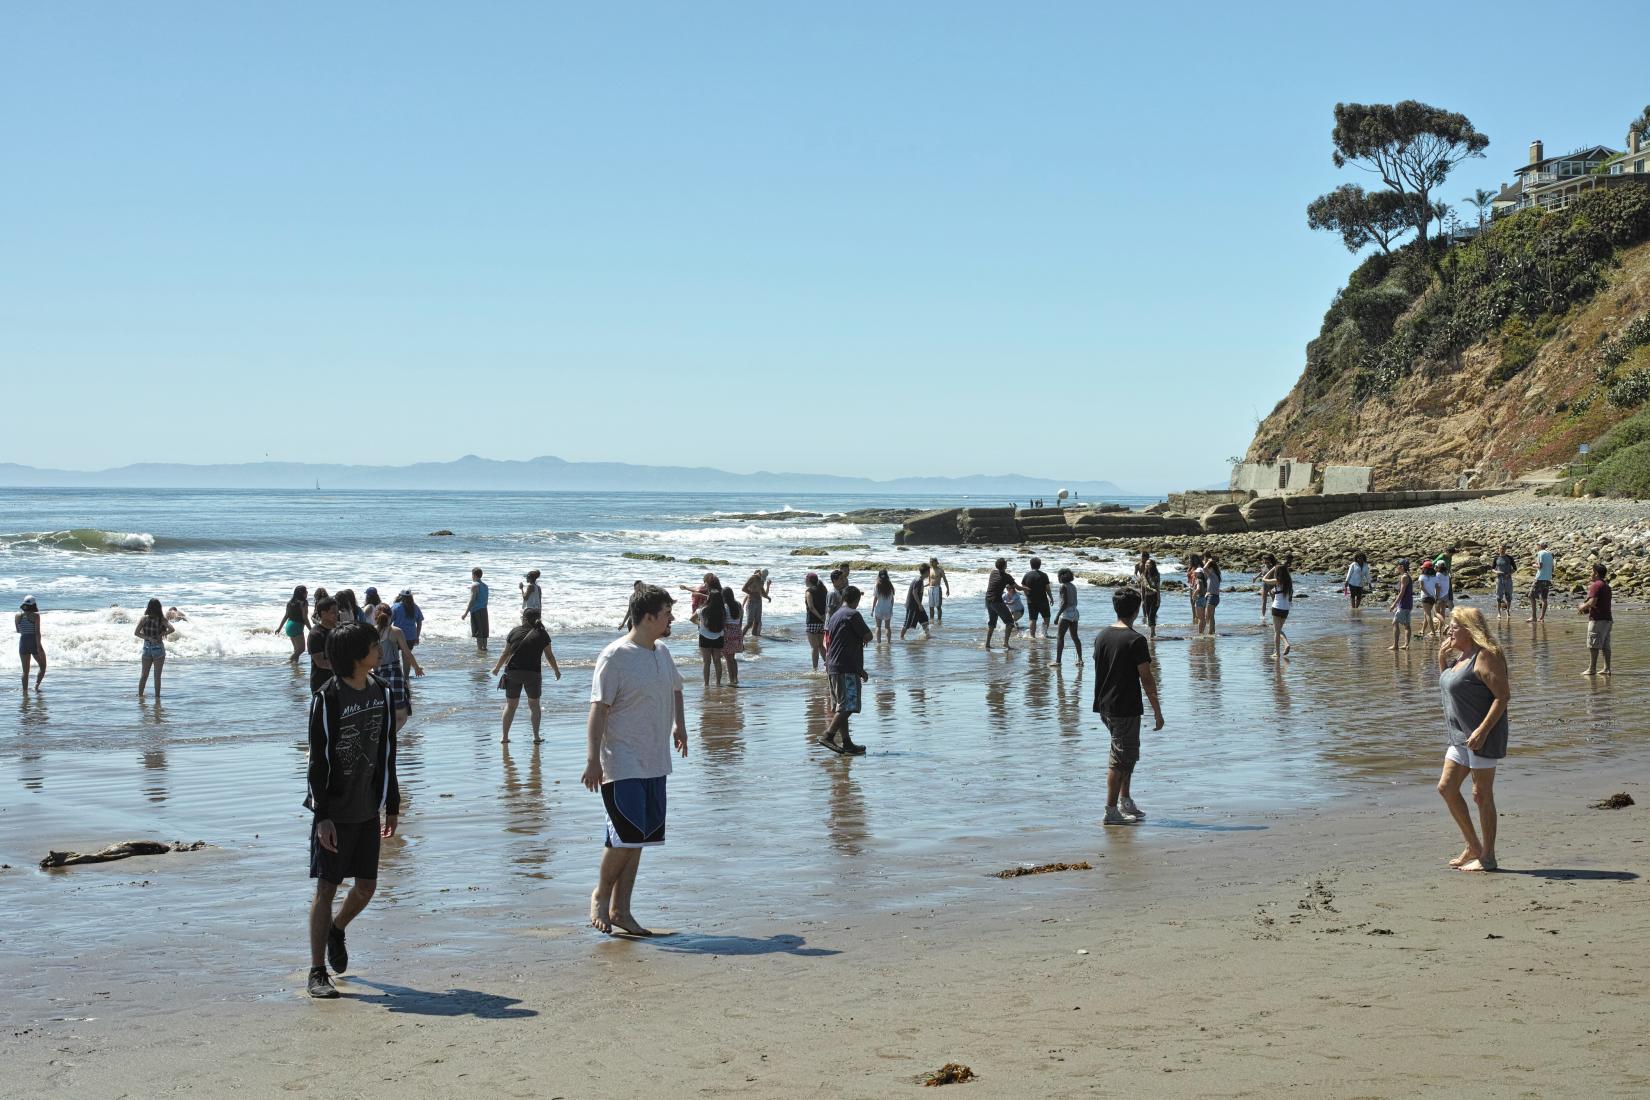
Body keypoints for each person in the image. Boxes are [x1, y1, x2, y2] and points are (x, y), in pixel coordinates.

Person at [583, 584, 688, 936]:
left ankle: (621, 910)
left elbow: (677, 688)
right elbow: (598, 709)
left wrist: (679, 726)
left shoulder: (663, 652)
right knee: (625, 833)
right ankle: (600, 895)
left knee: (639, 837)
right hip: (621, 760)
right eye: (667, 613)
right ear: (647, 617)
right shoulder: (615, 656)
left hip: (655, 760)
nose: (672, 618)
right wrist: (592, 759)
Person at [304, 620, 400, 998]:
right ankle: (316, 972)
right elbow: (317, 760)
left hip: (367, 808)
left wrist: (392, 803)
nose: (380, 652)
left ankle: (336, 929)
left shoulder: (382, 691)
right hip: (334, 812)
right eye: (374, 647)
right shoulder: (327, 697)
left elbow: (388, 751)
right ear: (357, 657)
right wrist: (321, 814)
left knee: (366, 888)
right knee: (326, 888)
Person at [1435, 607, 1509, 874]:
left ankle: (1488, 857)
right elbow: (1449, 684)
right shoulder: (1461, 657)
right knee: (1446, 788)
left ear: (1469, 629)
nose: (1449, 631)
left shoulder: (1486, 655)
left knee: (1481, 795)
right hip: (1459, 736)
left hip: (1481, 736)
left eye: (1454, 626)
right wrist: (1441, 658)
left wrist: (1482, 730)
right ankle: (1473, 846)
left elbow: (1502, 696)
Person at [1093, 588, 1164, 826]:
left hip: (1105, 704)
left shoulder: (1102, 635)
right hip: (1124, 705)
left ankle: (1125, 801)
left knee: (1128, 753)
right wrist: (1157, 710)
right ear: (1137, 610)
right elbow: (1146, 678)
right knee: (1120, 757)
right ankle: (1111, 810)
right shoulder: (1136, 640)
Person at [491, 609, 563, 741]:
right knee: (534, 705)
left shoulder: (514, 631)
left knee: (511, 705)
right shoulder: (542, 633)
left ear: (524, 619)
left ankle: (504, 737)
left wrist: (496, 668)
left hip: (513, 673)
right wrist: (556, 671)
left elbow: (505, 653)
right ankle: (536, 737)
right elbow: (550, 656)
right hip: (532, 674)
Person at [820, 586, 874, 754]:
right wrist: (862, 638)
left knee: (841, 706)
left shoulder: (835, 615)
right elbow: (868, 635)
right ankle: (828, 735)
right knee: (849, 705)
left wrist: (860, 669)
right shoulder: (852, 614)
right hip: (846, 667)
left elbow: (841, 640)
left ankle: (847, 742)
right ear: (856, 600)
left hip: (833, 666)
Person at [373, 604, 423, 730]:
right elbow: (407, 653)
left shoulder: (371, 632)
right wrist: (416, 667)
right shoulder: (395, 631)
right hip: (394, 674)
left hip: (377, 675)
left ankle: (384, 738)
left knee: (383, 711)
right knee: (402, 714)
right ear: (390, 616)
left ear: (375, 617)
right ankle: (390, 737)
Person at [134, 598, 175, 699]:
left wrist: (148, 638)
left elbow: (136, 633)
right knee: (157, 676)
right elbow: (172, 629)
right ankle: (157, 698)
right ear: (159, 608)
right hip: (158, 649)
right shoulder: (161, 619)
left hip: (147, 648)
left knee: (144, 675)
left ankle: (140, 696)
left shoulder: (144, 618)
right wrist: (161, 634)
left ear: (149, 607)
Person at [1580, 562, 1613, 677]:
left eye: (1591, 571)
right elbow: (1600, 603)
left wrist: (1582, 607)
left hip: (1598, 620)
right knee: (1605, 645)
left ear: (1596, 573)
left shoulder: (1596, 585)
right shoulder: (1606, 585)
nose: (1590, 573)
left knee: (1593, 645)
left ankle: (1592, 669)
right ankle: (1606, 669)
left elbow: (1592, 602)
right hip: (1608, 619)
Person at [693, 576, 726, 686]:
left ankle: (706, 683)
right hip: (719, 636)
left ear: (709, 598)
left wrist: (701, 624)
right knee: (717, 661)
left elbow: (692, 619)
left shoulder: (702, 610)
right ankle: (718, 683)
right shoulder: (723, 610)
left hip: (704, 637)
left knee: (706, 662)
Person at [984, 558, 1019, 650]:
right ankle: (1005, 643)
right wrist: (1026, 589)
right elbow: (1018, 588)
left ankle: (987, 643)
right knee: (1010, 622)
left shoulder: (993, 573)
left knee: (992, 623)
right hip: (997, 601)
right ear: (1005, 566)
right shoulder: (1007, 576)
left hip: (988, 599)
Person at [307, 597, 340, 693]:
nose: (337, 614)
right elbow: (320, 662)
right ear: (323, 614)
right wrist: (343, 666)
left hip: (341, 681)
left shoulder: (340, 629)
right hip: (321, 683)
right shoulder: (316, 634)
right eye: (333, 612)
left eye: (337, 611)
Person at [16, 596, 45, 692]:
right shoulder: (35, 616)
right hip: (33, 641)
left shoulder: (17, 615)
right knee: (42, 666)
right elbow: (37, 632)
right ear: (34, 605)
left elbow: (18, 630)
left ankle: (25, 692)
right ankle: (36, 686)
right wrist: (38, 647)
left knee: (25, 671)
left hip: (23, 642)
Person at [1054, 567, 1081, 668]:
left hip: (1066, 614)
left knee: (1060, 637)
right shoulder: (1073, 586)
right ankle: (1080, 659)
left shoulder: (1063, 586)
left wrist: (1057, 616)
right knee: (1075, 637)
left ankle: (1058, 661)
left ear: (1061, 576)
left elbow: (1064, 603)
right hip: (1074, 612)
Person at [1267, 557, 1293, 658]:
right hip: (1286, 608)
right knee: (1279, 630)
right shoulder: (1289, 582)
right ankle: (1285, 645)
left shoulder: (1277, 581)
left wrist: (1272, 569)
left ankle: (1278, 652)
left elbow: (1264, 579)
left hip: (1276, 607)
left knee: (1276, 631)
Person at [1021, 557, 1053, 638]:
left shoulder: (1027, 575)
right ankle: (1044, 634)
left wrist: (1026, 595)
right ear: (1040, 565)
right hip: (1043, 600)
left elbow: (1023, 586)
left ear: (1031, 565)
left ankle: (1032, 636)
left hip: (1031, 601)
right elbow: (1047, 588)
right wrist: (1051, 597)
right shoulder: (1044, 575)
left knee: (1032, 619)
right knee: (1046, 618)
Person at [1388, 558, 1415, 651]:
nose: (1397, 567)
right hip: (1409, 602)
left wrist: (1394, 604)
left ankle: (1395, 645)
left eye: (1398, 565)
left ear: (1402, 567)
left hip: (1404, 603)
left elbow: (1402, 592)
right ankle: (1406, 645)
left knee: (1395, 623)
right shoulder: (1408, 576)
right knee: (1407, 625)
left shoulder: (1404, 577)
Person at [278, 586, 310, 664]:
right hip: (297, 626)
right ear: (302, 593)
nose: (307, 593)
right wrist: (311, 629)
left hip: (289, 626)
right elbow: (305, 618)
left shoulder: (290, 602)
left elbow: (286, 616)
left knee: (296, 650)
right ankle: (287, 662)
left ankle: (295, 666)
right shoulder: (303, 603)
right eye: (306, 591)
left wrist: (279, 628)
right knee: (301, 649)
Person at [804, 572, 828, 669]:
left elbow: (811, 607)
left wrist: (819, 616)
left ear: (809, 580)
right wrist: (823, 617)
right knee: (821, 646)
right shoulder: (823, 590)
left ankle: (815, 669)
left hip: (813, 621)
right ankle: (828, 664)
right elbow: (826, 606)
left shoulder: (809, 591)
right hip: (822, 622)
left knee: (814, 648)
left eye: (806, 579)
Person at [462, 567, 490, 653]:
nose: (472, 577)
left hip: (476, 610)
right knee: (484, 631)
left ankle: (479, 651)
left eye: (472, 575)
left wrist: (466, 613)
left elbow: (472, 600)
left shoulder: (474, 585)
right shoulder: (485, 586)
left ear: (474, 575)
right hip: (484, 610)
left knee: (478, 632)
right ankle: (484, 648)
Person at [901, 565, 932, 640]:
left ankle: (928, 635)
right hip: (913, 606)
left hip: (917, 606)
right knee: (907, 623)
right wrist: (919, 604)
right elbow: (914, 592)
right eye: (929, 571)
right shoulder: (918, 580)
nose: (930, 573)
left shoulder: (920, 579)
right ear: (926, 571)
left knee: (924, 619)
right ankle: (901, 637)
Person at [1134, 552, 1161, 640]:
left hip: (1154, 596)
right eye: (1146, 564)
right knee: (1148, 616)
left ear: (1152, 565)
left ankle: (1153, 633)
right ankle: (1152, 632)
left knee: (1152, 614)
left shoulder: (1156, 575)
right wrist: (1142, 598)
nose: (1146, 564)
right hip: (1146, 597)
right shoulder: (1143, 575)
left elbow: (1158, 588)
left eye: (1148, 563)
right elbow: (1142, 587)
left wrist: (1158, 599)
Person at [720, 587, 744, 686]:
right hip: (737, 632)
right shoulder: (738, 605)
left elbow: (723, 621)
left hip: (727, 633)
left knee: (728, 659)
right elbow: (741, 620)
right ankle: (735, 678)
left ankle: (731, 680)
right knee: (733, 658)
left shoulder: (724, 607)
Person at [1527, 540, 1554, 622]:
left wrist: (1533, 565)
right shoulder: (1550, 554)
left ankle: (1534, 616)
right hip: (1547, 579)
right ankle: (1542, 617)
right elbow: (1552, 568)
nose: (1536, 547)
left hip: (1540, 578)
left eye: (1537, 545)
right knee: (1544, 598)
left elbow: (1540, 566)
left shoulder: (1540, 553)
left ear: (1540, 546)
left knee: (1531, 595)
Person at [741, 569, 772, 637]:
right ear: (760, 573)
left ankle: (754, 638)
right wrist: (752, 594)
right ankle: (740, 637)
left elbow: (762, 591)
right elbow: (743, 588)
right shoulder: (752, 578)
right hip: (751, 602)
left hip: (759, 602)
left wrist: (767, 597)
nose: (763, 579)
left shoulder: (762, 580)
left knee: (757, 622)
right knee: (749, 623)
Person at [1418, 561, 1443, 639]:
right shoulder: (1434, 577)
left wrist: (1428, 594)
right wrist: (1437, 597)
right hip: (1432, 597)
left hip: (1425, 597)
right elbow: (1438, 587)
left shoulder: (1422, 576)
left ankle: (1433, 631)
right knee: (1426, 614)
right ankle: (1423, 630)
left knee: (1428, 614)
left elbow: (1421, 587)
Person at [870, 570, 896, 643]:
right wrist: (891, 607)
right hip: (887, 609)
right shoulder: (890, 586)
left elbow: (875, 599)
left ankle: (878, 643)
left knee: (878, 626)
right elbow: (892, 599)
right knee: (887, 627)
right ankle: (888, 642)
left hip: (879, 609)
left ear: (879, 576)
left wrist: (872, 609)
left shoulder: (877, 585)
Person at [1199, 554, 1222, 635]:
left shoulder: (1212, 574)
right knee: (1210, 616)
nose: (1208, 569)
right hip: (1215, 597)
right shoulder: (1217, 574)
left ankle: (1210, 633)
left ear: (1211, 568)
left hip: (1212, 597)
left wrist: (1209, 561)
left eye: (1209, 568)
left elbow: (1204, 568)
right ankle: (1213, 631)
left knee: (1210, 617)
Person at [1492, 545, 1516, 620]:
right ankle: (1499, 613)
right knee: (1499, 596)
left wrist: (1509, 574)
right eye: (1500, 549)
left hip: (1508, 579)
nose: (1502, 550)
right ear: (1498, 549)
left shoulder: (1509, 558)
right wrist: (1496, 572)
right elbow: (1492, 568)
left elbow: (1515, 568)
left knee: (1508, 596)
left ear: (1506, 549)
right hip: (1499, 579)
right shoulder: (1496, 558)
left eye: (1503, 549)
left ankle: (1508, 611)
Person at [926, 557, 950, 624]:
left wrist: (948, 589)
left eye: (932, 561)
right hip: (930, 589)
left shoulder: (940, 570)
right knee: (931, 607)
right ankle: (932, 621)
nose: (930, 563)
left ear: (936, 562)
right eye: (930, 561)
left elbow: (945, 580)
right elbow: (929, 582)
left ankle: (939, 621)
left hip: (937, 588)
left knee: (938, 606)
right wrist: (923, 586)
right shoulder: (929, 570)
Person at [1185, 553, 1206, 632]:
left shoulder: (1198, 568)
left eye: (1191, 559)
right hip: (1191, 586)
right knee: (1192, 603)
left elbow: (1201, 577)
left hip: (1196, 586)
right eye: (1189, 559)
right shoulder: (1191, 567)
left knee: (1195, 603)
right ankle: (1194, 618)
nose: (1189, 560)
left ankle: (1197, 619)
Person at [1255, 553, 1277, 623]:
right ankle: (1263, 616)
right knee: (1264, 601)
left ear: (1270, 561)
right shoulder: (1263, 566)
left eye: (1267, 562)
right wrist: (1256, 577)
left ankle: (1275, 615)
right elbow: (1262, 573)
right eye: (1264, 561)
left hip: (1272, 585)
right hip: (1265, 585)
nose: (1266, 563)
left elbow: (1277, 576)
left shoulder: (1274, 567)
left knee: (1274, 601)